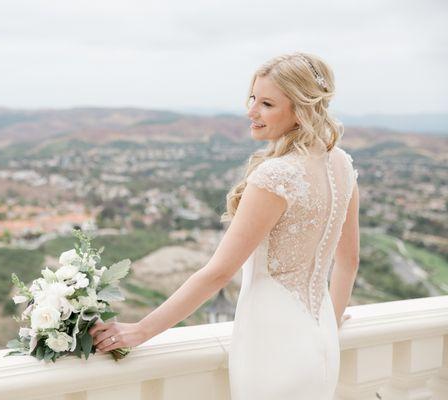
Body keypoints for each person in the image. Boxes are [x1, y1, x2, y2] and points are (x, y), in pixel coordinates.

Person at [88, 52, 359, 399]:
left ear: (301, 109)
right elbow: (348, 261)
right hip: (319, 341)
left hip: (271, 343)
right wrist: (329, 323)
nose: (252, 112)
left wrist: (140, 331)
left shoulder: (276, 176)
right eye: (252, 99)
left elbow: (217, 274)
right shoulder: (341, 163)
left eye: (266, 104)